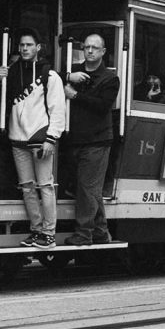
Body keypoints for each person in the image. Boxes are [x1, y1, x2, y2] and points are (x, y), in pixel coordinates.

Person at [0, 28, 66, 248]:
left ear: (38, 48)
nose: (25, 48)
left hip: (40, 139)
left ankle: (48, 234)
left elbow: (58, 110)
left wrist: (51, 139)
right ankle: (36, 231)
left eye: (29, 45)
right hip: (17, 138)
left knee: (45, 186)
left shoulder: (49, 74)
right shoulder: (11, 71)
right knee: (27, 187)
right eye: (22, 45)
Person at [62, 33, 119, 246]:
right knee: (88, 188)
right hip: (74, 139)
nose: (90, 51)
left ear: (103, 52)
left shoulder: (110, 78)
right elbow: (51, 75)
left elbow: (102, 106)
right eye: (86, 47)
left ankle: (84, 234)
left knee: (87, 187)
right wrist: (68, 76)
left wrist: (75, 95)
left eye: (95, 48)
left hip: (98, 141)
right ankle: (102, 232)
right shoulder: (74, 72)